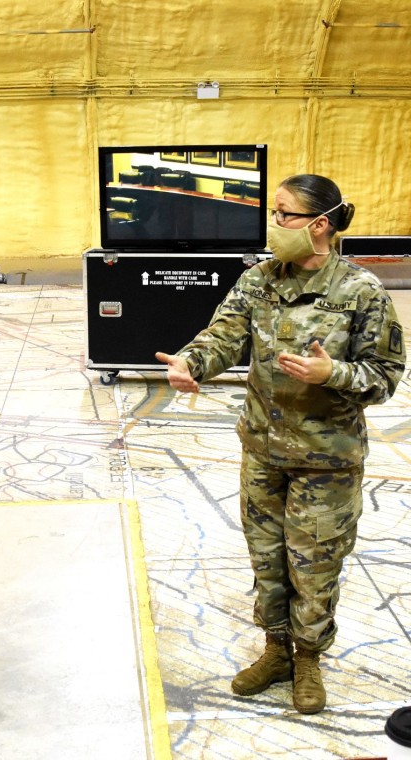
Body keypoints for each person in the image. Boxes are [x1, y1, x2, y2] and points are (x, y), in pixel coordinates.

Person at [156, 173, 406, 714]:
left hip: (327, 460)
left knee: (314, 566)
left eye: (284, 214)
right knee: (267, 560)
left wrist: (331, 373)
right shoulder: (259, 280)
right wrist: (192, 363)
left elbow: (385, 375)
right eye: (274, 213)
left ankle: (309, 658)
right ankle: (276, 651)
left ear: (319, 224)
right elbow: (223, 334)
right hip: (264, 452)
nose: (275, 225)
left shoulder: (361, 290)